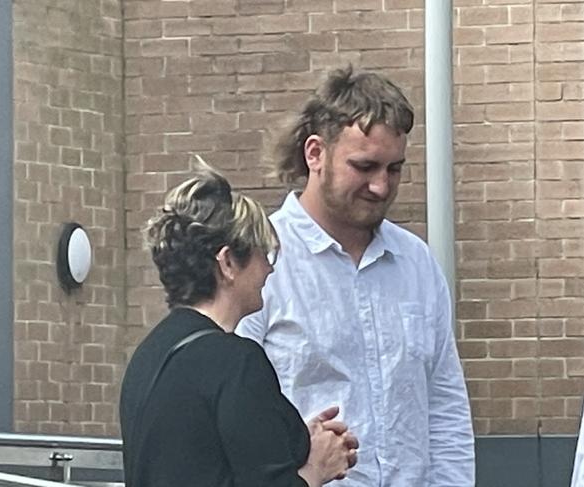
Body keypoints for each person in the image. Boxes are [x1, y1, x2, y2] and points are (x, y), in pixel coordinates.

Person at [236, 66, 475, 486]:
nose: (381, 186)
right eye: (364, 167)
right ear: (315, 154)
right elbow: (238, 415)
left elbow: (444, 407)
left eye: (394, 169)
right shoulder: (263, 261)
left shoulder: (417, 263)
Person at [119, 167, 358, 487]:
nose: (270, 269)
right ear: (228, 262)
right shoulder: (236, 361)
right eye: (263, 254)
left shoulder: (149, 354)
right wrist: (317, 467)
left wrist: (299, 441)